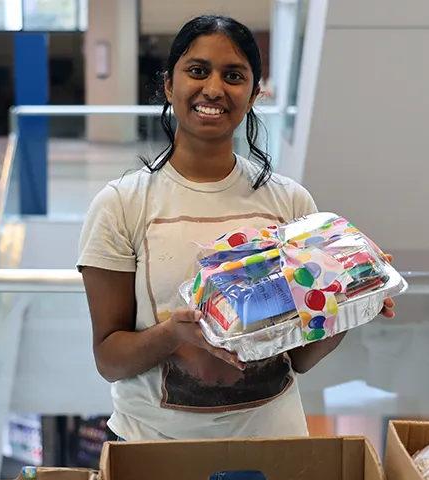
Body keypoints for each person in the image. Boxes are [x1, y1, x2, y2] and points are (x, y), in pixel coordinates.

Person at [78, 15, 393, 442]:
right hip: (154, 448)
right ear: (170, 85)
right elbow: (110, 360)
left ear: (253, 94)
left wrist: (354, 300)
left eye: (233, 76)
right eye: (197, 71)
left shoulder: (291, 203)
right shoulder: (121, 205)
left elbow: (299, 358)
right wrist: (172, 333)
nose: (213, 88)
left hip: (275, 444)